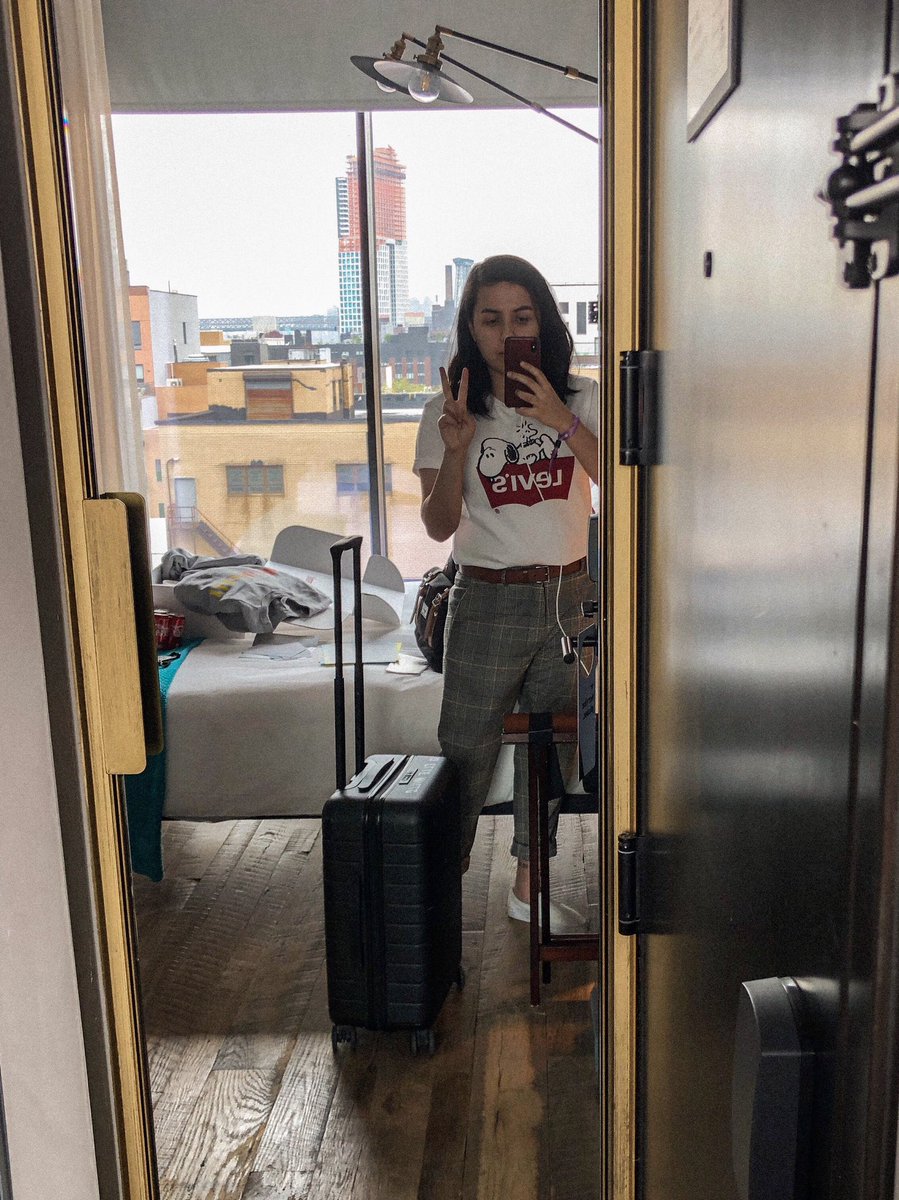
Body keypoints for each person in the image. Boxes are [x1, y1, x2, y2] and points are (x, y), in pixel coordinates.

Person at [413, 255, 599, 933]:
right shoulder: (446, 411)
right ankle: (436, 893)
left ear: (542, 323)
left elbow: (623, 481)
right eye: (490, 319)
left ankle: (530, 884)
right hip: (487, 597)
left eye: (521, 317)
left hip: (571, 595)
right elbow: (437, 526)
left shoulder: (582, 398)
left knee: (549, 747)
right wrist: (456, 447)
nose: (506, 333)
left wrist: (560, 419)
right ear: (469, 326)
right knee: (464, 749)